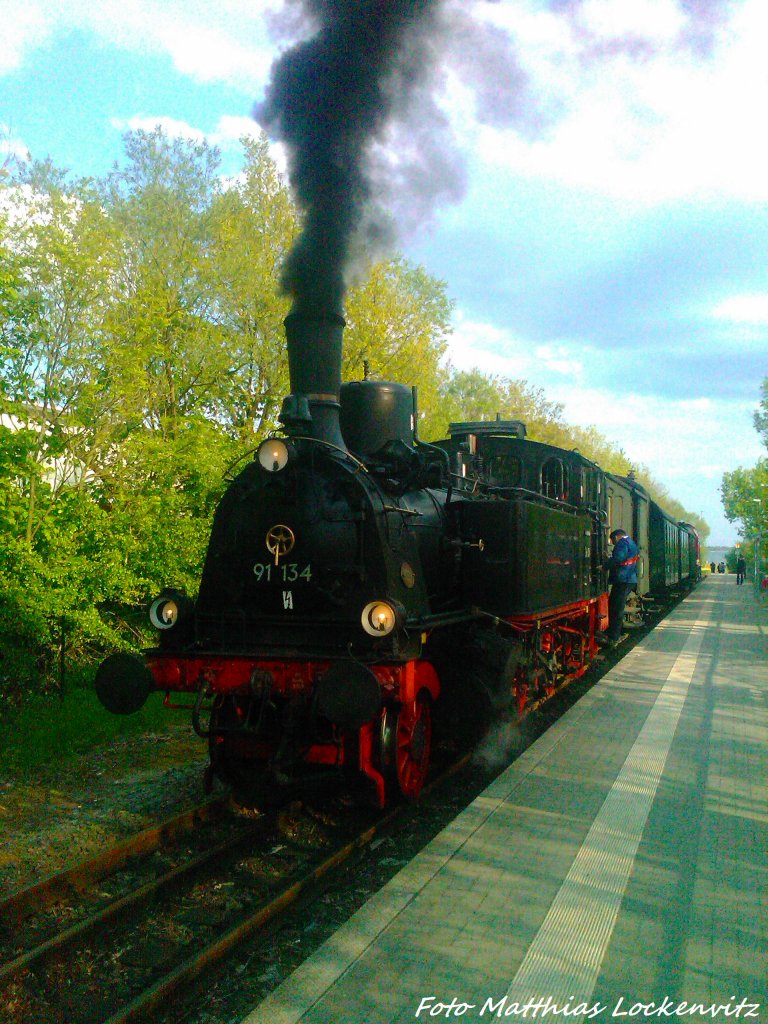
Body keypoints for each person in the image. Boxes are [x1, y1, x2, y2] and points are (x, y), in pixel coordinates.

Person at [598, 528, 640, 647]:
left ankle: (613, 636)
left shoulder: (622, 543)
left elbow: (618, 558)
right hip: (629, 579)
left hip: (623, 579)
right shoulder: (631, 543)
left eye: (613, 541)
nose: (613, 543)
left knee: (616, 607)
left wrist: (604, 567)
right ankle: (613, 632)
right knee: (616, 605)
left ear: (616, 537)